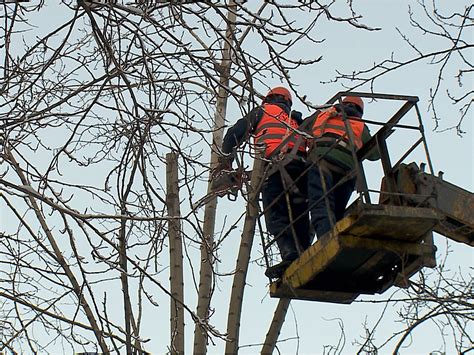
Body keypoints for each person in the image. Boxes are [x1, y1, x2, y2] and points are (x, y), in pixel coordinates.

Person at [217, 87, 311, 278]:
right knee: (300, 214)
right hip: (302, 170)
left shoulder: (264, 111)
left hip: (276, 170)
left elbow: (234, 134)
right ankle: (307, 255)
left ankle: (291, 255)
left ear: (268, 100)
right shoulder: (296, 121)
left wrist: (226, 163)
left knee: (276, 216)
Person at [306, 96, 380, 239]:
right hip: (347, 171)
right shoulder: (360, 125)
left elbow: (302, 131)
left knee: (321, 204)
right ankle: (336, 235)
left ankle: (326, 239)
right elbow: (375, 154)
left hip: (322, 162)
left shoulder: (323, 116)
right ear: (360, 111)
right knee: (337, 210)